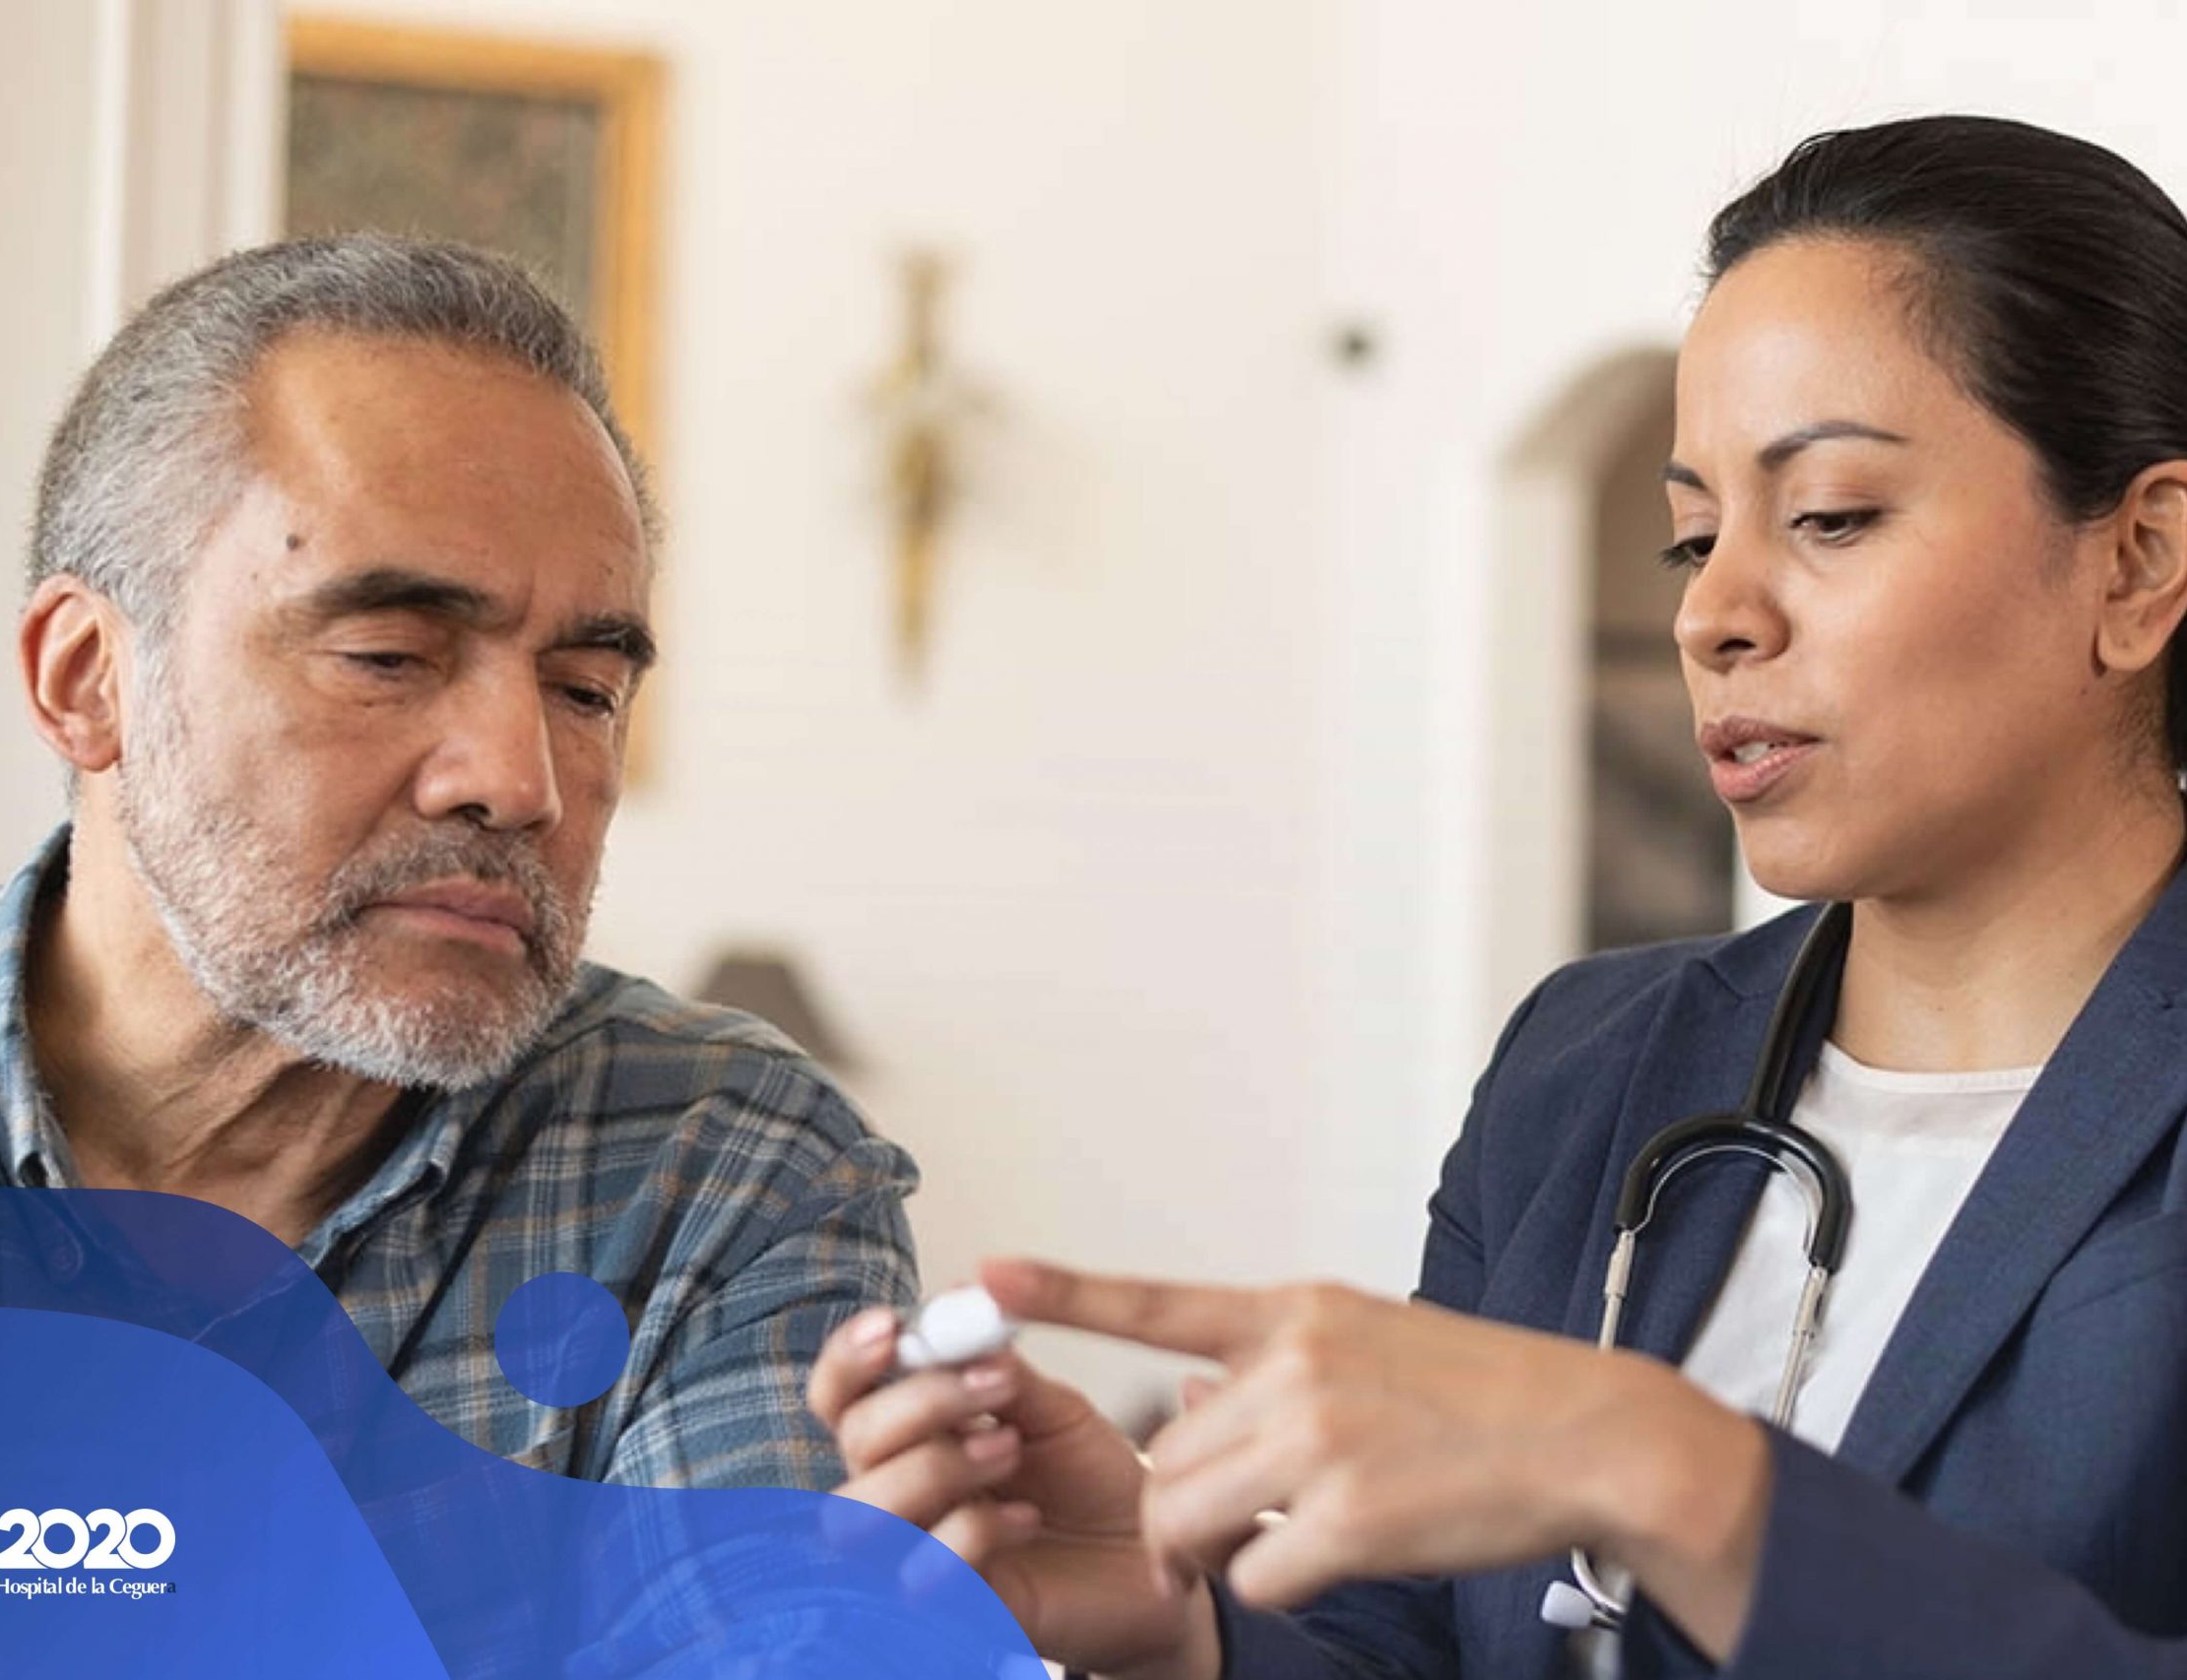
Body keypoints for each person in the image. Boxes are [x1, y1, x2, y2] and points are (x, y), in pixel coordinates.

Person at [812, 113, 2187, 1676]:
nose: (1713, 614)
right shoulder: (1584, 1066)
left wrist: (1671, 1466)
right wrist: (1183, 1626)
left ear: (2138, 560)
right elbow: (1404, 1643)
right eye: (1691, 534)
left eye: (1829, 516)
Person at [0, 234, 918, 1491]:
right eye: (388, 655)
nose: (518, 779)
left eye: (585, 689)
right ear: (87, 678)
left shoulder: (723, 1170)